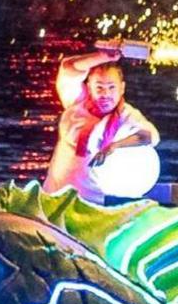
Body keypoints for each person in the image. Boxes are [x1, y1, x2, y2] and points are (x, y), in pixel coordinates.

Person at [43, 46, 159, 202]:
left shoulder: (126, 115)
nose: (105, 94)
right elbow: (68, 67)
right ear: (89, 87)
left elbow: (150, 136)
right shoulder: (76, 103)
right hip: (53, 197)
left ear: (122, 88)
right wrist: (103, 56)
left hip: (91, 205)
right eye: (99, 87)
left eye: (112, 87)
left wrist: (114, 146)